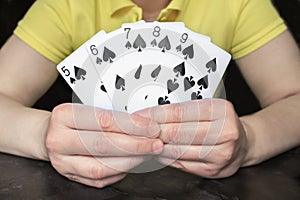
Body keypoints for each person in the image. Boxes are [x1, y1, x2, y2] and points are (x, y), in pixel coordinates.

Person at [0, 0, 300, 188]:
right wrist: (41, 134)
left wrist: (251, 139)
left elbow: (295, 96)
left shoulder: (238, 3)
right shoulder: (64, 4)